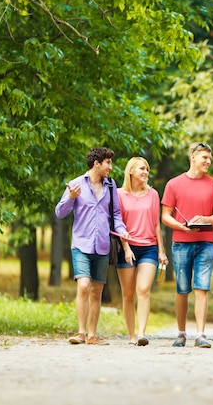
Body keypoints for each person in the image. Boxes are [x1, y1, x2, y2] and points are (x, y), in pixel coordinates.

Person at [55, 146, 129, 346]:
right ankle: (80, 332)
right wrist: (70, 198)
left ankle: (92, 335)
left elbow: (116, 216)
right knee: (84, 286)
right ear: (97, 164)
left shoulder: (111, 186)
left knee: (97, 291)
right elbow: (59, 212)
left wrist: (122, 230)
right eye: (108, 163)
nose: (111, 167)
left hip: (103, 246)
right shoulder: (76, 184)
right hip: (81, 244)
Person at [161, 142, 213, 348]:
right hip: (181, 243)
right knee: (182, 289)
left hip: (205, 243)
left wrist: (205, 219)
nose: (208, 161)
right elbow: (165, 216)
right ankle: (181, 334)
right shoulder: (173, 184)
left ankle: (200, 334)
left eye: (209, 158)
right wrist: (182, 226)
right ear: (192, 157)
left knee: (202, 288)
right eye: (204, 157)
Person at [116, 157, 169, 346]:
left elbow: (156, 225)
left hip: (149, 247)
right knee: (128, 294)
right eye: (141, 169)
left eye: (147, 169)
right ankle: (131, 335)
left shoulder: (153, 194)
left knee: (144, 289)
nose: (146, 172)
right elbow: (118, 224)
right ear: (131, 171)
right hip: (127, 247)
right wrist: (126, 248)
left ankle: (141, 333)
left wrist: (161, 251)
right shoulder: (119, 194)